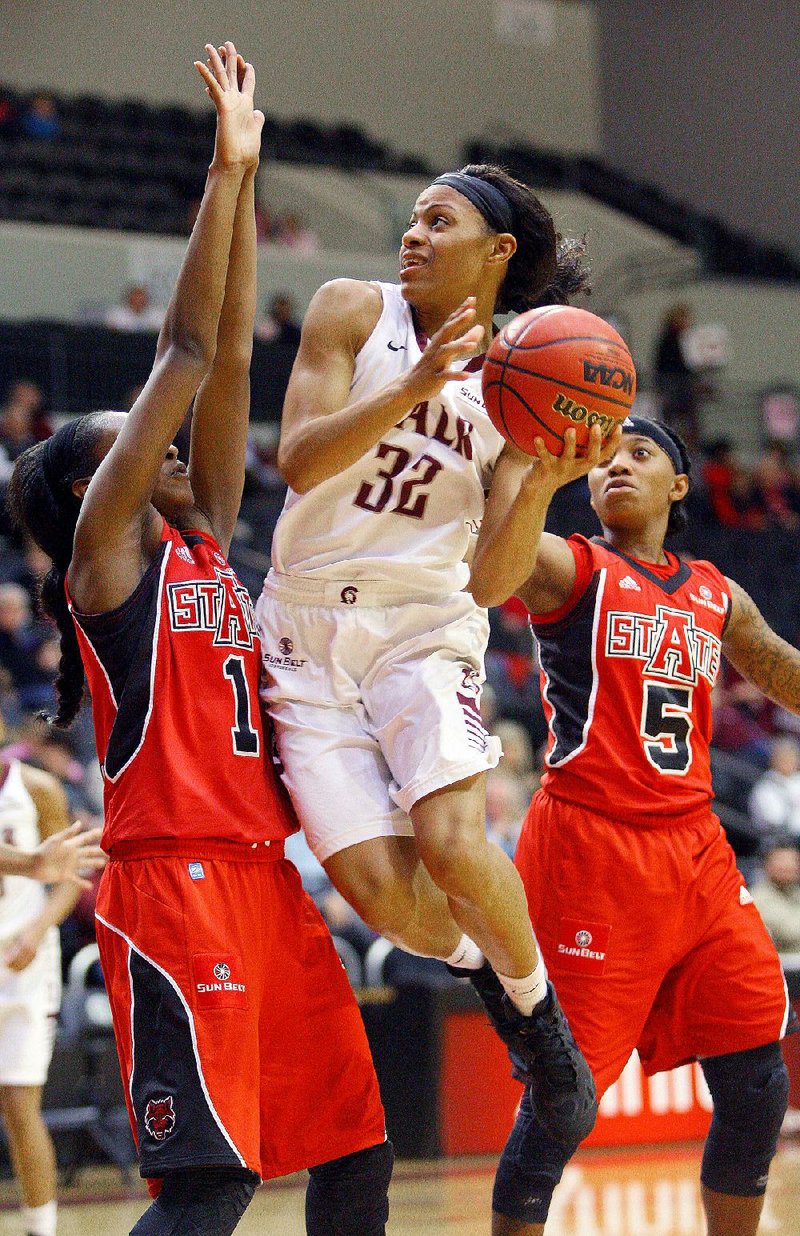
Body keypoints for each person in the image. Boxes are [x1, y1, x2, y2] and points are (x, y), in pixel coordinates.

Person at [8, 42, 390, 1236]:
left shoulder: (204, 541)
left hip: (265, 886)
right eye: (135, 443)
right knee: (211, 1186)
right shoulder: (105, 563)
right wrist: (224, 177)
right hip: (172, 888)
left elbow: (223, 358)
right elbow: (181, 357)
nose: (170, 448)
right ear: (92, 491)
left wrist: (254, 162)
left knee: (357, 1154)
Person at [255, 163, 597, 1145]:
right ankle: (484, 970)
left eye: (435, 222)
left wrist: (533, 476)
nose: (411, 234)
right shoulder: (353, 310)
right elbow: (301, 458)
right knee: (382, 899)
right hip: (303, 629)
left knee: (449, 842)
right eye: (410, 218)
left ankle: (539, 1029)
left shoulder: (520, 379)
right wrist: (408, 386)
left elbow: (493, 582)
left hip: (424, 625)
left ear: (495, 253)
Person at [468, 415, 798, 1235]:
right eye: (605, 459)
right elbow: (493, 566)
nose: (618, 466)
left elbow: (779, 667)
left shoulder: (718, 592)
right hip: (590, 846)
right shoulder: (572, 567)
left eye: (641, 454)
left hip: (694, 850)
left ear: (679, 484)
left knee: (758, 1085)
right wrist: (539, 475)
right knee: (565, 1104)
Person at [0, 742, 74, 1236]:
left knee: (21, 1108)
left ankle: (41, 1229)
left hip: (21, 960)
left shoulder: (37, 788)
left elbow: (69, 876)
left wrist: (39, 927)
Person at [751, 840, 800, 953]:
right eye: (781, 860)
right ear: (766, 864)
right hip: (780, 966)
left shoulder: (795, 892)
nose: (788, 866)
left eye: (794, 860)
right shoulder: (758, 897)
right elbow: (790, 931)